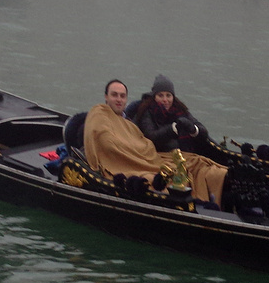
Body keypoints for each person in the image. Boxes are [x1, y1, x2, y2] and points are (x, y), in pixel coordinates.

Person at [83, 79, 227, 206]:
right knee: (164, 177)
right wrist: (172, 130)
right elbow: (108, 141)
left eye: (122, 96)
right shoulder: (99, 113)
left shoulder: (130, 123)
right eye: (114, 95)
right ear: (106, 97)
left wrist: (193, 129)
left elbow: (142, 142)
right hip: (132, 162)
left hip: (155, 157)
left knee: (199, 163)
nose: (119, 99)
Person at [131, 74, 211, 155]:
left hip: (183, 153)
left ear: (173, 97)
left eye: (168, 95)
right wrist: (172, 129)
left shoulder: (180, 110)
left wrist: (193, 129)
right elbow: (151, 136)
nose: (165, 100)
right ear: (154, 97)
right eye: (160, 95)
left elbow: (204, 132)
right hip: (156, 154)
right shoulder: (146, 111)